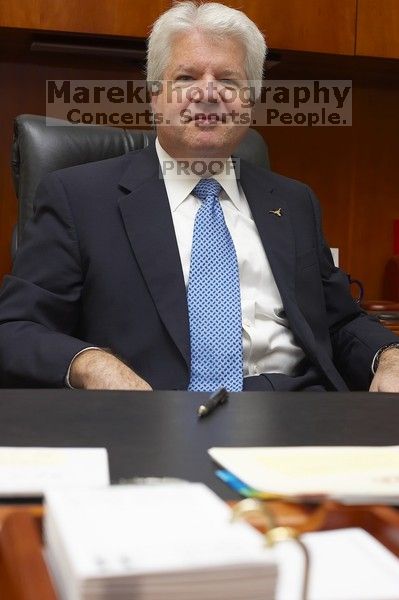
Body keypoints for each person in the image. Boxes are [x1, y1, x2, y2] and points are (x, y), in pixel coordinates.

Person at [0, 1, 398, 392]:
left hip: (297, 415)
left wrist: (388, 355)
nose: (208, 94)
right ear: (154, 95)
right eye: (186, 77)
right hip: (152, 420)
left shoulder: (295, 202)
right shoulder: (79, 199)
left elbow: (340, 322)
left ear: (250, 101)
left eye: (229, 80)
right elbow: (16, 328)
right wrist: (90, 362)